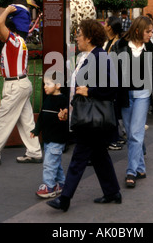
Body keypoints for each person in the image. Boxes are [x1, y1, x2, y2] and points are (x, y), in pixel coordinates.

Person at [46, 19, 121, 212]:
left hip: (92, 118)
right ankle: (113, 192)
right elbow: (76, 89)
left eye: (79, 34)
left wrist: (91, 91)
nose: (77, 38)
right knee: (99, 156)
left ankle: (65, 199)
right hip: (87, 115)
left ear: (88, 37)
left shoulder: (100, 56)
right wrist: (67, 108)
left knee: (79, 158)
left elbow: (113, 88)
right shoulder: (85, 56)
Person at [0, 4, 42, 165]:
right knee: (26, 122)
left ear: (8, 30)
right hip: (22, 83)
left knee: (3, 120)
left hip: (15, 86)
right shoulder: (20, 41)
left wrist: (7, 11)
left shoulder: (12, 40)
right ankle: (34, 152)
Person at [111, 15, 153, 187]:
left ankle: (131, 171)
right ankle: (140, 167)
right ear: (137, 30)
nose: (151, 34)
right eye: (148, 31)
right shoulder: (119, 47)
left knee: (134, 134)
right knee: (131, 132)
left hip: (143, 94)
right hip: (124, 95)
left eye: (152, 31)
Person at [33, 71, 69, 199]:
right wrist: (36, 130)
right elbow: (42, 117)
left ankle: (49, 186)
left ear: (58, 85)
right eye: (44, 84)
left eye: (48, 84)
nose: (45, 86)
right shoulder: (48, 99)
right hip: (48, 139)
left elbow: (67, 113)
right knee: (55, 163)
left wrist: (65, 113)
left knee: (49, 164)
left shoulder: (63, 100)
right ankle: (61, 183)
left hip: (57, 139)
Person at [102, 16, 126, 150]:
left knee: (113, 110)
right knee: (113, 110)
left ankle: (114, 138)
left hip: (115, 81)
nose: (104, 25)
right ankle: (116, 136)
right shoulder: (110, 41)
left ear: (110, 27)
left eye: (105, 23)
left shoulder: (118, 43)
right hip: (111, 80)